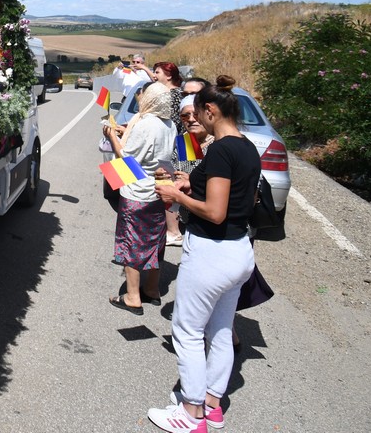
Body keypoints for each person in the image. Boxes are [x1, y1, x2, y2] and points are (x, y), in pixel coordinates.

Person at [148, 76, 261, 433]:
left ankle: (191, 412)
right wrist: (190, 184)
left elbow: (214, 211)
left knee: (187, 330)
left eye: (197, 113)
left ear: (210, 110)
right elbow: (240, 199)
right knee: (222, 329)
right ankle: (213, 405)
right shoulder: (247, 146)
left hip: (212, 251)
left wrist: (177, 196)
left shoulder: (221, 150)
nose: (194, 120)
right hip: (239, 250)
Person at [104, 82, 175, 314]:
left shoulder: (145, 124)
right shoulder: (169, 124)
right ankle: (152, 289)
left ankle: (132, 296)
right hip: (158, 190)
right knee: (155, 240)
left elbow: (128, 159)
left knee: (131, 240)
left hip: (137, 191)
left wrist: (112, 136)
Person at [152, 61, 186, 246]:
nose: (154, 76)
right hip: (181, 145)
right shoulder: (179, 94)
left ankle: (173, 232)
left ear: (169, 75)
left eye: (157, 72)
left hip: (173, 147)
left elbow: (169, 124)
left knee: (168, 185)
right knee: (173, 184)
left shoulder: (171, 95)